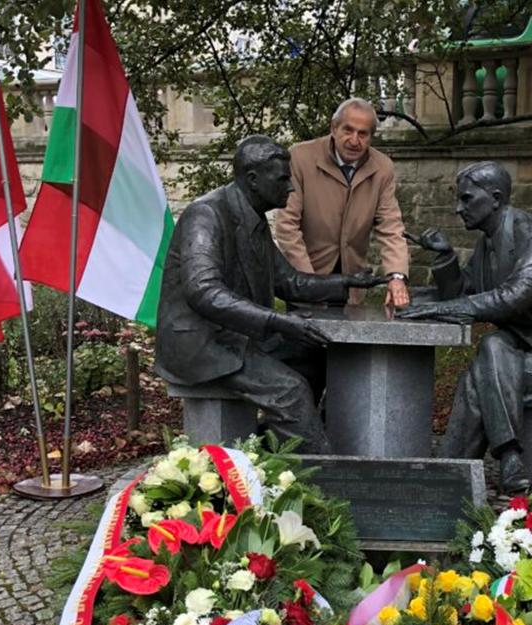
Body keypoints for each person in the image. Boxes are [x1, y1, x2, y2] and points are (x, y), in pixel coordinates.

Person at [154, 135, 388, 453]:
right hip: (202, 343)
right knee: (289, 391)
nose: (290, 188)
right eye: (282, 179)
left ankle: (274, 448)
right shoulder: (205, 215)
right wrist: (278, 321)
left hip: (235, 335)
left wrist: (347, 282)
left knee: (315, 354)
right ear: (253, 179)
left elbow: (289, 282)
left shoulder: (253, 219)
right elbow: (203, 292)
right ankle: (324, 480)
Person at [398, 161, 532, 494]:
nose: (457, 208)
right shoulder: (488, 243)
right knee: (492, 348)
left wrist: (438, 309)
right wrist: (446, 257)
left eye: (466, 199)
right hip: (518, 347)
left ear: (494, 198)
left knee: (478, 376)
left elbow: (510, 299)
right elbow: (468, 292)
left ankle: (455, 471)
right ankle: (499, 462)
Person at [274, 98, 411, 310]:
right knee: (304, 342)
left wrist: (396, 275)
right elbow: (287, 227)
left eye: (363, 134)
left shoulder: (383, 168)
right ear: (333, 128)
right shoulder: (300, 158)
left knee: (347, 342)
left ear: (371, 137)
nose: (354, 140)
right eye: (348, 130)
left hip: (352, 282)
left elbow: (390, 226)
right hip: (307, 276)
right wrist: (311, 284)